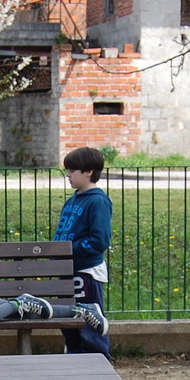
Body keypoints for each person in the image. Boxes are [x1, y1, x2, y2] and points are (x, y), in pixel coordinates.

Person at [55, 146, 113, 356]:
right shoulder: (73, 200)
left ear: (89, 171)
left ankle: (97, 359)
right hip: (67, 270)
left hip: (86, 272)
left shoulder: (97, 201)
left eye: (73, 171)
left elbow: (99, 240)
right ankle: (74, 356)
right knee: (69, 320)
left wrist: (70, 251)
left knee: (89, 321)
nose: (68, 175)